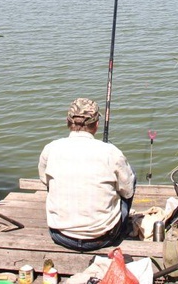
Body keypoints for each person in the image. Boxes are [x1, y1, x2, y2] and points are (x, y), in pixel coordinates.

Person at [38, 97, 136, 251]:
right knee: (130, 176)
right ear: (96, 124)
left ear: (68, 122)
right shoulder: (112, 152)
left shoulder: (50, 149)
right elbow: (128, 191)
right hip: (103, 237)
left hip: (60, 235)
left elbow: (45, 182)